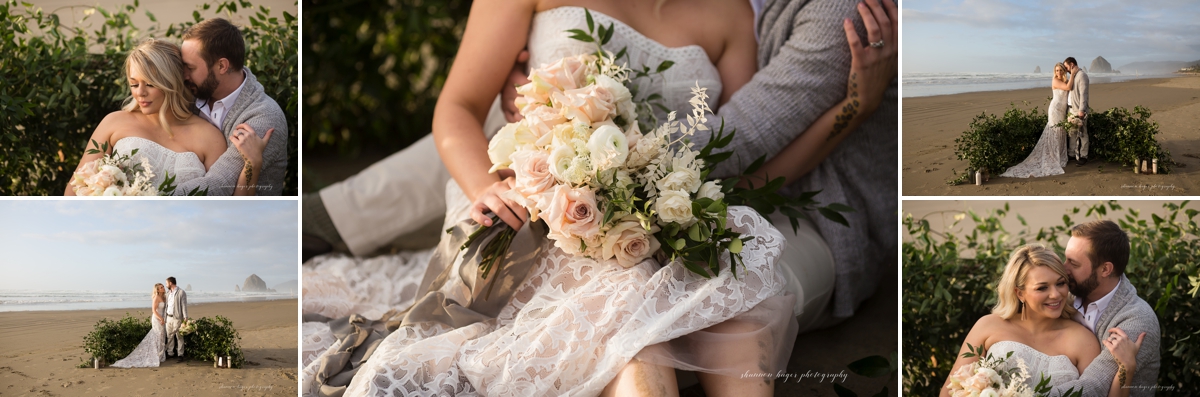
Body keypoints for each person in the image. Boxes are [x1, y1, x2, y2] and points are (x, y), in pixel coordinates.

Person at [300, 0, 896, 396]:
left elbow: (737, 166)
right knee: (636, 345)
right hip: (527, 200)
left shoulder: (729, 13)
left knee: (692, 310)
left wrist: (853, 106)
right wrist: (486, 186)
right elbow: (456, 107)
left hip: (649, 223)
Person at [63, 38, 268, 196]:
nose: (140, 93)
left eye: (150, 84)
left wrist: (252, 164)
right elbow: (74, 189)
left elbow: (231, 205)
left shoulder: (210, 137)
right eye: (134, 84)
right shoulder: (114, 122)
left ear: (172, 82)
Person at [941, 244, 1142, 397]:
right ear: (1019, 293)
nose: (1056, 295)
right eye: (1042, 288)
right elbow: (950, 390)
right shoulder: (988, 326)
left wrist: (1126, 369)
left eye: (1060, 283)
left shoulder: (1082, 340)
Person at [173, 18, 289, 195]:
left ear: (222, 65)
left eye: (190, 68)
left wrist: (146, 195)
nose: (184, 76)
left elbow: (218, 185)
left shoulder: (264, 117)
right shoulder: (189, 96)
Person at [1049, 220, 1161, 396]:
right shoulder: (1064, 297)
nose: (1064, 268)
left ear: (1105, 269)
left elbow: (1093, 387)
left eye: (1074, 263)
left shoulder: (1137, 320)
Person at [1000, 62, 1074, 178]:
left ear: (1064, 71)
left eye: (1060, 70)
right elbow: (1068, 87)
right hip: (1055, 109)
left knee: (1061, 131)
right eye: (1057, 70)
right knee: (1054, 131)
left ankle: (1059, 156)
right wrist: (1073, 74)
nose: (1058, 72)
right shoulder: (1055, 81)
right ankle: (1053, 157)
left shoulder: (1065, 81)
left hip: (1062, 110)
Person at [111, 283, 168, 368]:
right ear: (157, 290)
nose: (163, 288)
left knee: (161, 336)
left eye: (163, 286)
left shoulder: (163, 297)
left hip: (162, 318)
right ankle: (155, 356)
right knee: (157, 336)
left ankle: (160, 355)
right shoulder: (156, 297)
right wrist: (161, 319)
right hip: (157, 319)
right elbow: (154, 311)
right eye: (161, 287)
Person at [1064, 56, 1090, 165]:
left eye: (1066, 68)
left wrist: (1082, 110)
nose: (1066, 70)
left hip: (1078, 110)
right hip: (1071, 109)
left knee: (1082, 133)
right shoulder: (1074, 76)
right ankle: (1072, 154)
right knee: (1072, 132)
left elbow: (1084, 94)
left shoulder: (1082, 75)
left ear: (1072, 65)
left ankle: (1083, 155)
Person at [164, 277, 189, 361]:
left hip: (177, 318)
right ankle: (170, 353)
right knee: (169, 336)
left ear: (170, 283)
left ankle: (180, 354)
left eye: (166, 283)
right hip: (168, 317)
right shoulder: (167, 293)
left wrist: (185, 317)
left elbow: (184, 305)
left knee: (179, 336)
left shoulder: (181, 292)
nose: (166, 285)